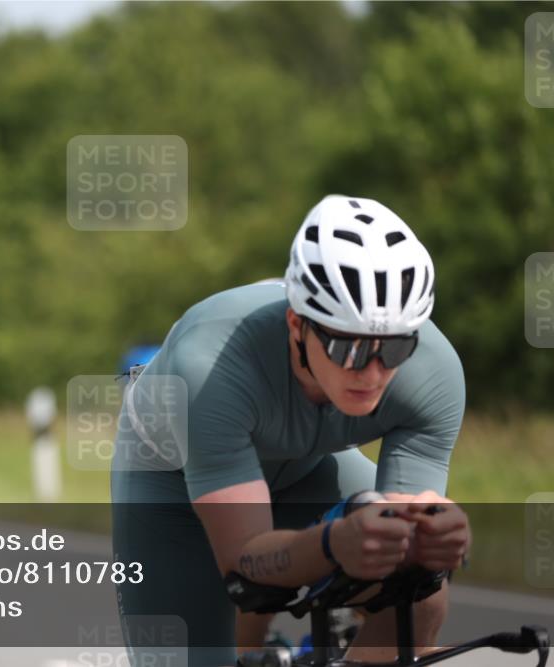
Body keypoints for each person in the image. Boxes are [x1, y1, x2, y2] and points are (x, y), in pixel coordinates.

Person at [110, 195, 470, 666]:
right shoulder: (208, 367)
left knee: (421, 595)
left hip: (302, 467)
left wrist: (430, 542)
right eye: (348, 347)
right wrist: (333, 544)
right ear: (297, 326)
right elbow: (245, 570)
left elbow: (402, 541)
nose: (372, 371)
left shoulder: (433, 372)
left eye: (395, 348)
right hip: (169, 480)